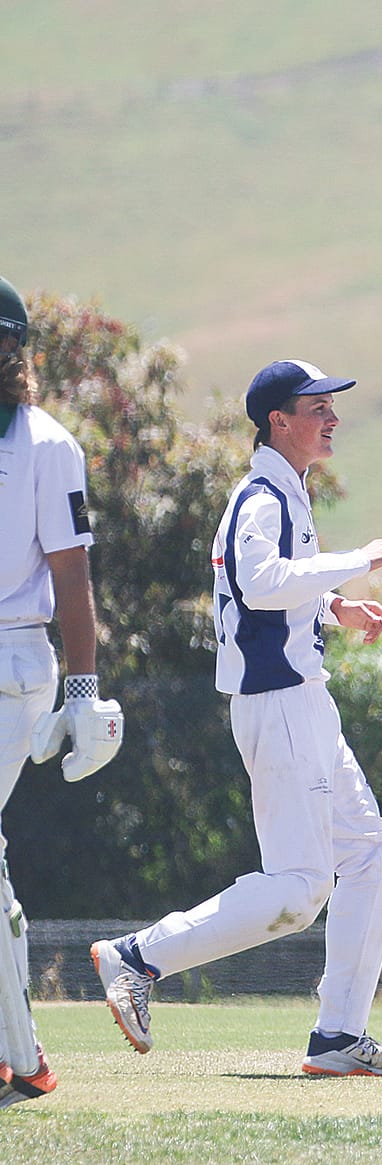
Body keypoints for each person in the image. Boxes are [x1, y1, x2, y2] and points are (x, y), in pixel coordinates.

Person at [90, 358, 382, 1077]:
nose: (332, 417)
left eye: (331, 405)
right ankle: (138, 956)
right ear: (279, 421)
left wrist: (333, 608)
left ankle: (339, 1038)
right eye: (317, 407)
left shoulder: (285, 490)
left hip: (304, 701)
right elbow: (259, 583)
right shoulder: (263, 495)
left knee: (375, 856)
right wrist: (355, 561)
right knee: (301, 888)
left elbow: (270, 592)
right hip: (279, 706)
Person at [0, 276, 124, 1110]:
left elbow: (73, 579)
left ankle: (20, 1057)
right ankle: (21, 1055)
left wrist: (82, 692)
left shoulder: (48, 445)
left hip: (14, 663)